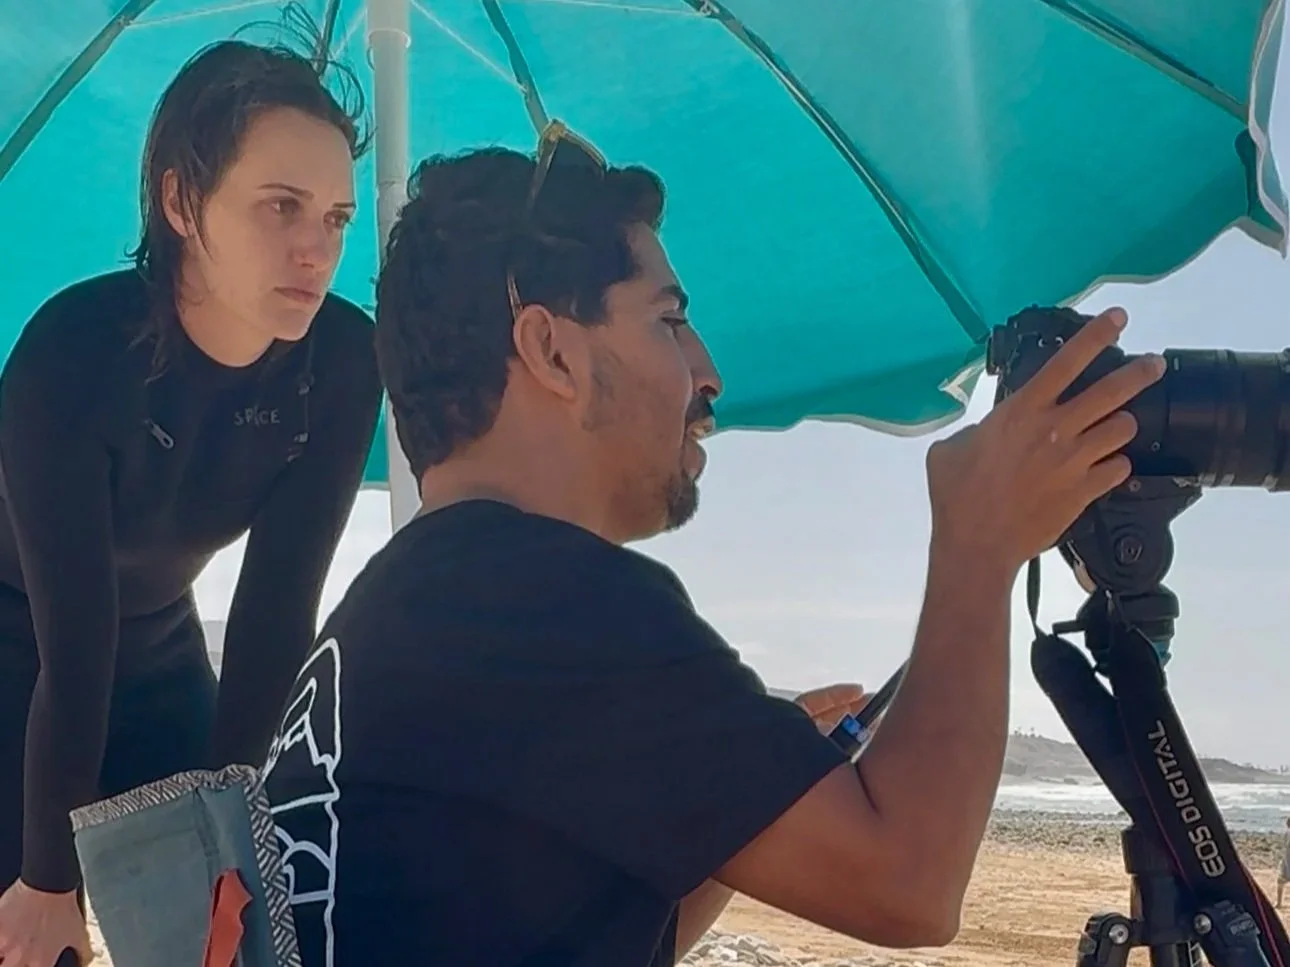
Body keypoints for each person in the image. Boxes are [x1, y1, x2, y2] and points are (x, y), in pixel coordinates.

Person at [262, 123, 1166, 966]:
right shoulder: (540, 595)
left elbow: (578, 931)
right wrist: (979, 542)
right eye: (669, 320)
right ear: (552, 351)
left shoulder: (408, 603)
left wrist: (735, 812)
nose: (708, 371)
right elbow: (912, 884)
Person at [0, 32, 382, 967]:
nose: (316, 247)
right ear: (180, 200)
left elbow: (274, 609)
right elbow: (73, 643)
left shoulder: (340, 360)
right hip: (18, 651)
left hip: (164, 657)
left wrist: (231, 827)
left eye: (335, 216)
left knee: (227, 933)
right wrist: (50, 877)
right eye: (281, 205)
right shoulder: (74, 354)